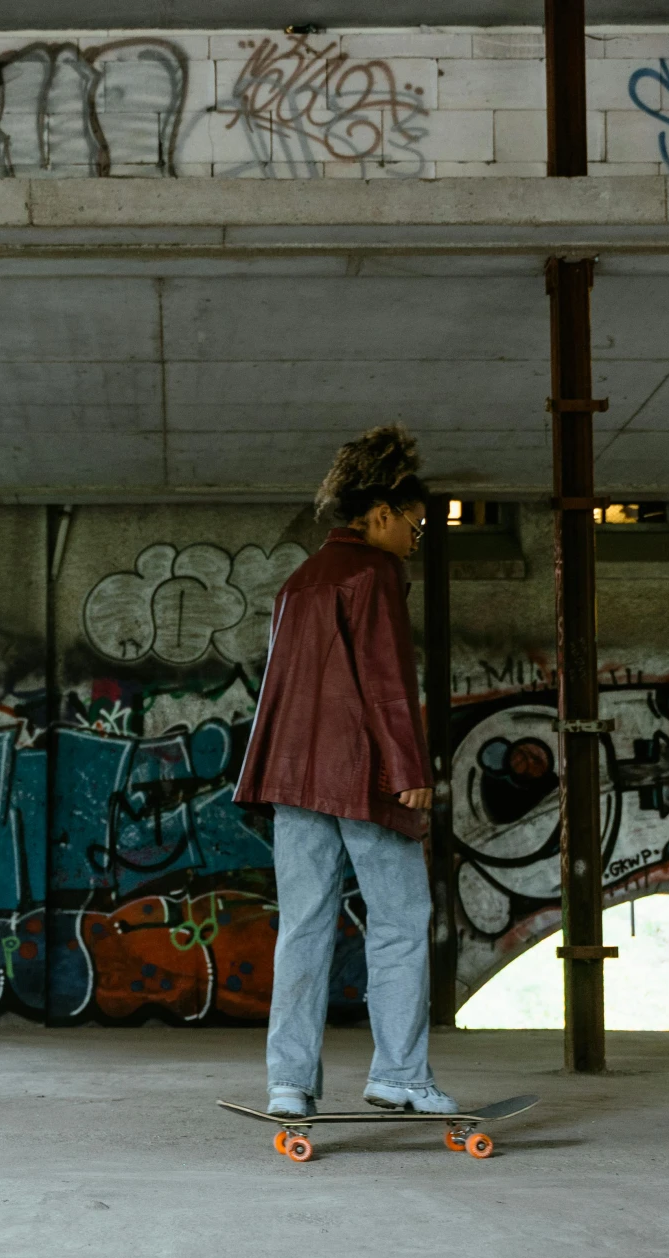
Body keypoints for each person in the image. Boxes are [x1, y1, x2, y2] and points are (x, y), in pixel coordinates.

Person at [235, 425, 454, 1118]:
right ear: (381, 514)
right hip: (362, 777)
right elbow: (386, 677)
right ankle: (400, 1074)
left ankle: (288, 1083)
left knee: (302, 925)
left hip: (292, 778)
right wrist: (408, 766)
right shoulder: (375, 573)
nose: (417, 536)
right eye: (414, 523)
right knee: (400, 918)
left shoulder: (298, 582)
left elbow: (284, 692)